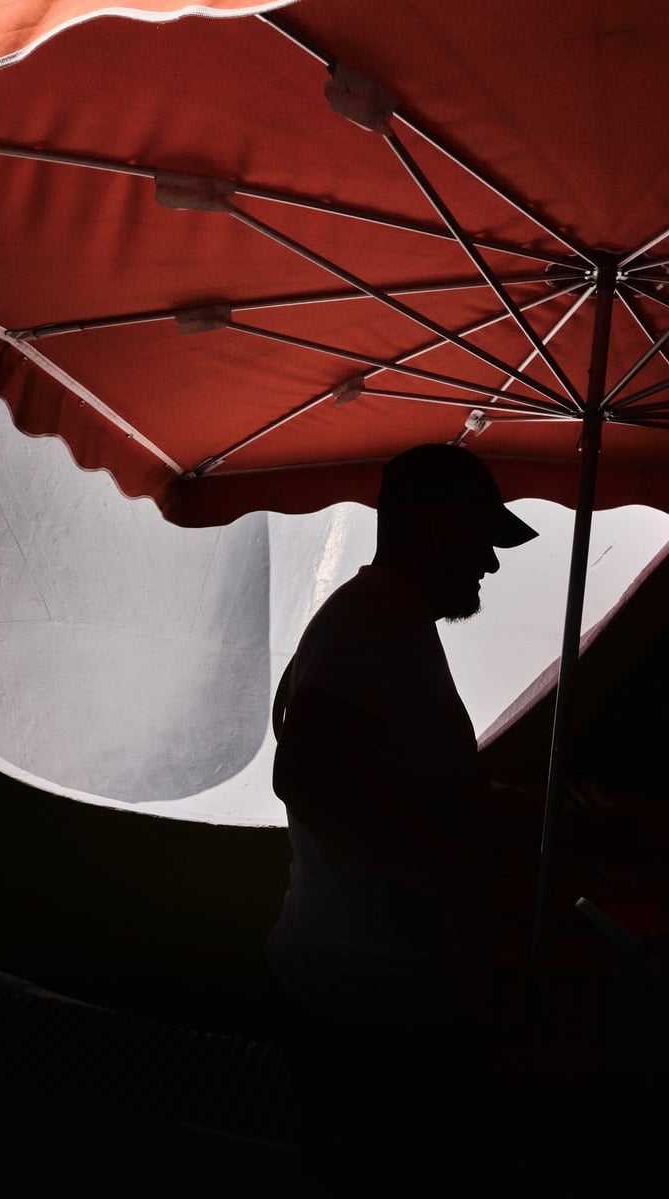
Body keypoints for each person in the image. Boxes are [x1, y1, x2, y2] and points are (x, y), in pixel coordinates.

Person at [266, 443, 539, 1195]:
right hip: (369, 1011)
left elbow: (385, 781)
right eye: (482, 538)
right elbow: (310, 780)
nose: (489, 562)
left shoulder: (382, 617)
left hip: (357, 995)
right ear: (434, 528)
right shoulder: (378, 621)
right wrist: (465, 891)